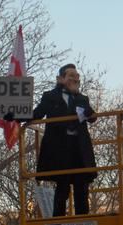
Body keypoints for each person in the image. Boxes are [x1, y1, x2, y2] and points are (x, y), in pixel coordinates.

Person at [33, 64, 97, 216]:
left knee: (82, 186)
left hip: (79, 148)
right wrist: (16, 116)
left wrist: (90, 113)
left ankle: (83, 220)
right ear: (60, 79)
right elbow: (37, 113)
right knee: (62, 186)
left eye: (77, 77)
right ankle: (58, 219)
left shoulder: (82, 99)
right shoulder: (50, 97)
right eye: (71, 76)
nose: (75, 79)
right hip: (60, 148)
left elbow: (92, 118)